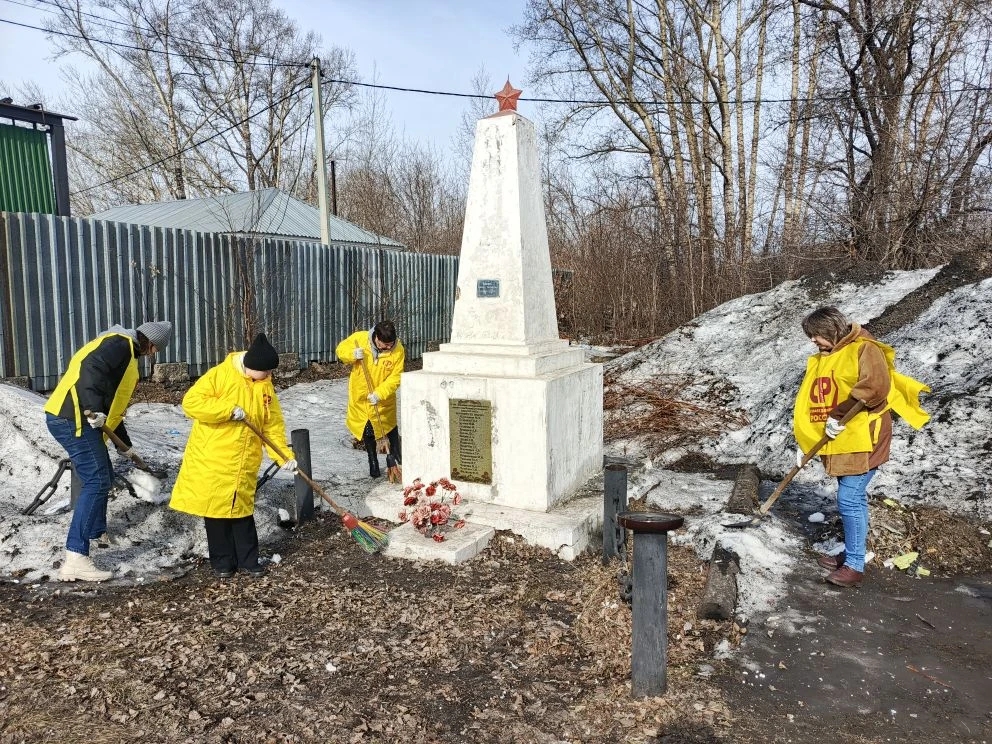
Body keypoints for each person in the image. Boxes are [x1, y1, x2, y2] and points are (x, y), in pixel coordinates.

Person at [793, 307, 929, 588]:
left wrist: (839, 415)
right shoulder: (826, 357)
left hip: (865, 435)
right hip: (841, 437)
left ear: (831, 329)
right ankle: (852, 554)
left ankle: (854, 565)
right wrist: (806, 440)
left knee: (849, 498)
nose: (813, 340)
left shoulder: (865, 349)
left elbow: (875, 387)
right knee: (854, 498)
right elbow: (814, 399)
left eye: (816, 334)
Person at [44, 320, 173, 582]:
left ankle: (96, 532)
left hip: (75, 417)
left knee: (103, 474)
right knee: (97, 480)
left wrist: (124, 446)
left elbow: (113, 407)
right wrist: (93, 408)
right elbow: (91, 369)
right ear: (150, 344)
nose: (152, 355)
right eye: (155, 350)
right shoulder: (119, 344)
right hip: (74, 418)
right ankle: (76, 557)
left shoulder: (123, 350)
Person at [169, 333, 297, 579]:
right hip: (214, 458)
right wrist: (227, 410)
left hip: (244, 460)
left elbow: (272, 426)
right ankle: (223, 563)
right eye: (266, 371)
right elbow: (191, 403)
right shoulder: (220, 375)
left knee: (242, 511)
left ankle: (249, 561)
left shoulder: (265, 385)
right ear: (251, 365)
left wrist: (283, 456)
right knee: (216, 512)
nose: (269, 375)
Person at [335, 320, 404, 478]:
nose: (388, 348)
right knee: (367, 430)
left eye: (391, 344)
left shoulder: (398, 349)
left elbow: (396, 377)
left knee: (390, 428)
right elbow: (340, 350)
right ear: (376, 338)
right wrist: (352, 355)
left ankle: (397, 460)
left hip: (383, 399)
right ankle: (372, 461)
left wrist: (379, 393)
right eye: (385, 345)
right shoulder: (360, 338)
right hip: (361, 397)